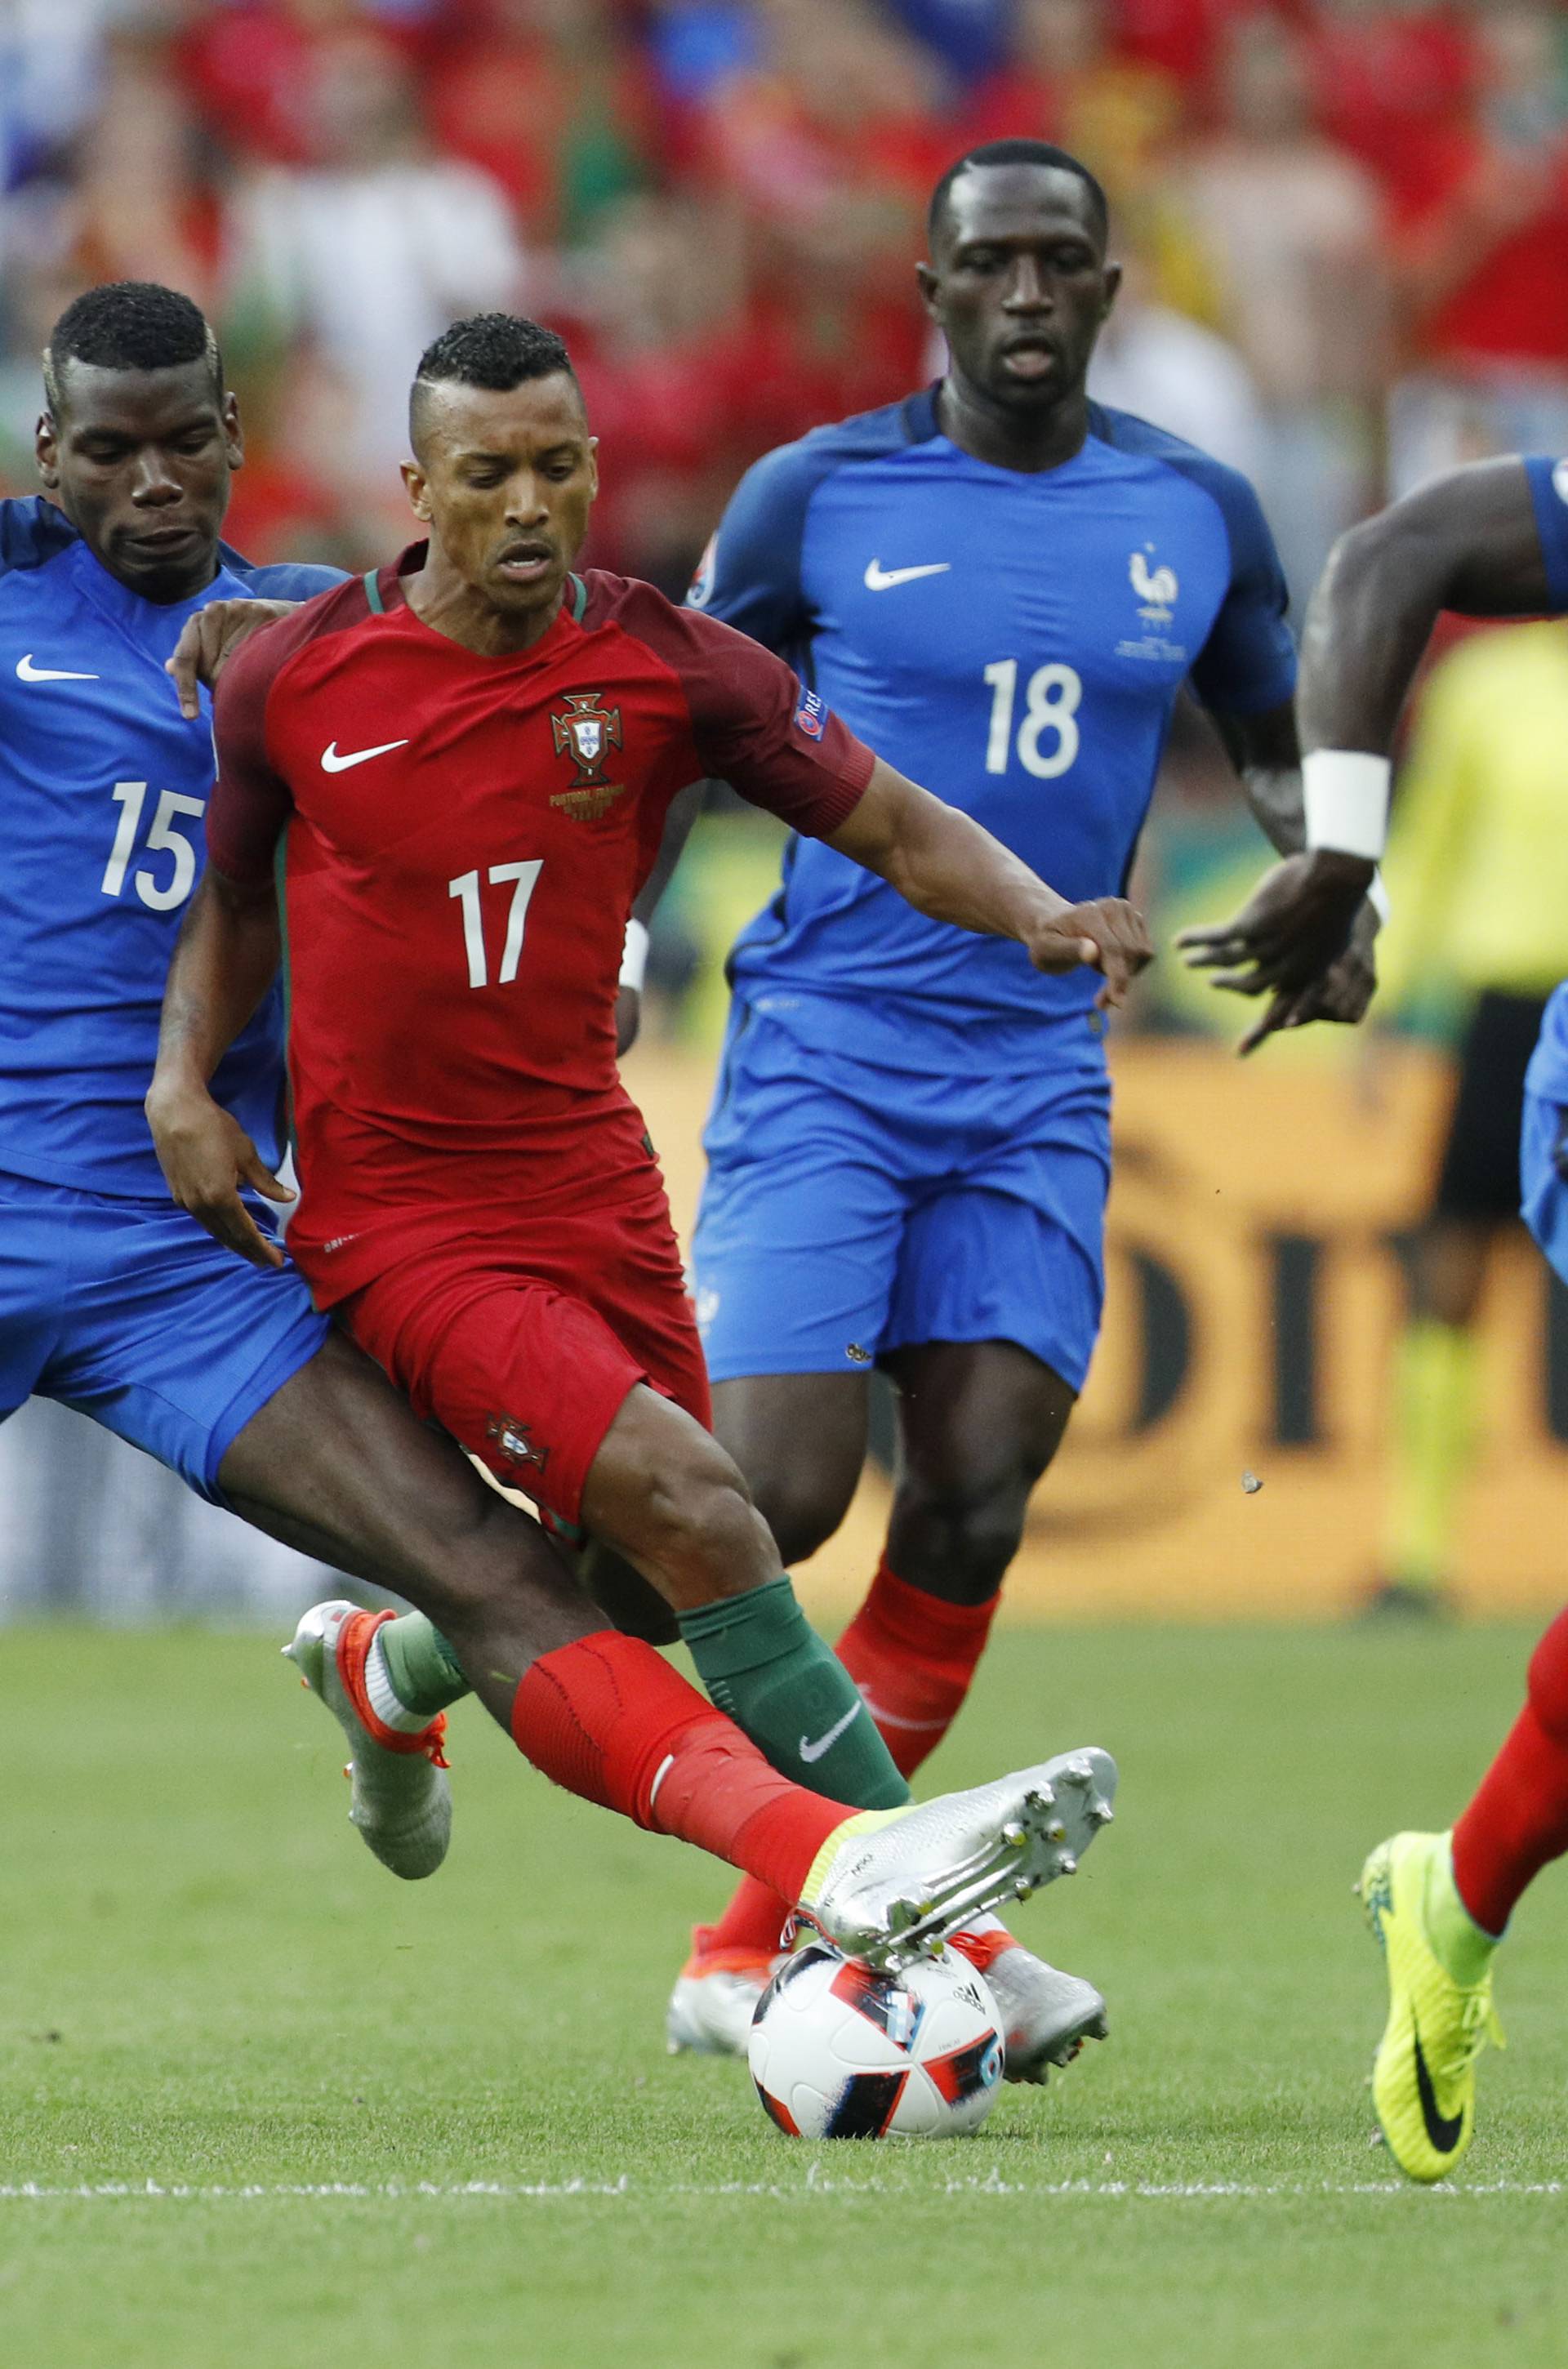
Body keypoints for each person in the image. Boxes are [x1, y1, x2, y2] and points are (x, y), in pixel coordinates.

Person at [2, 278, 1115, 1979]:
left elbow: (462, 729)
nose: (150, 485)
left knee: (517, 1577)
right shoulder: (74, 607)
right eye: (107, 453)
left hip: (196, 1245)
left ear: (241, 440)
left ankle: (795, 1848)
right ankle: (892, 1895)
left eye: (181, 447)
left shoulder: (308, 640)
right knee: (658, 1521)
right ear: (49, 454)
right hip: (164, 1180)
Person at [666, 137, 1378, 2063]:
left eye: (1066, 262)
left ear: (1113, 291)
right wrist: (596, 945)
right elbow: (672, 725)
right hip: (828, 1038)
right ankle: (416, 1657)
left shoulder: (1197, 511)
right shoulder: (813, 497)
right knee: (777, 1493)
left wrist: (1333, 886)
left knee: (973, 1491)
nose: (1032, 295)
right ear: (930, 284)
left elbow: (1276, 730)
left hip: (1036, 1068)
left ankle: (752, 1947)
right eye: (995, 264)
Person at [1190, 448, 1568, 2182]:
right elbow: (1402, 547)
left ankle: (1456, 1892)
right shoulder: (1501, 679)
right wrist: (1343, 854)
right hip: (1521, 1014)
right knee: (1442, 1281)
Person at [1361, 622, 1568, 1617]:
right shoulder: (1482, 686)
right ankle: (1418, 1557)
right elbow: (1430, 850)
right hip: (1511, 1012)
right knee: (1452, 1269)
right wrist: (1384, 1006)